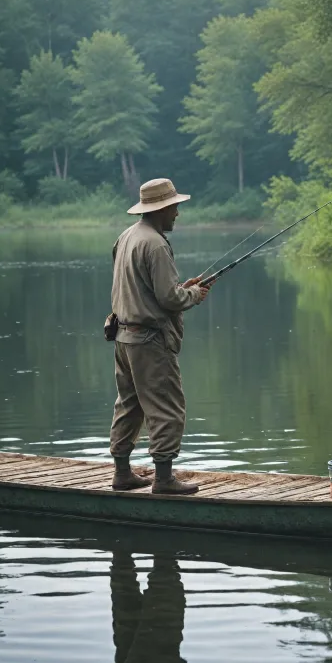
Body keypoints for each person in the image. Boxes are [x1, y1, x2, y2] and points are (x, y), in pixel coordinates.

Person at [109, 178, 212, 495]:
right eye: (174, 207)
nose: (177, 213)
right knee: (167, 407)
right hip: (149, 343)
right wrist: (193, 295)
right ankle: (164, 480)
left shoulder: (127, 236)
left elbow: (143, 288)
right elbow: (168, 299)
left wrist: (182, 289)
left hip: (124, 337)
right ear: (161, 209)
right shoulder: (155, 244)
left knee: (129, 406)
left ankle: (122, 473)